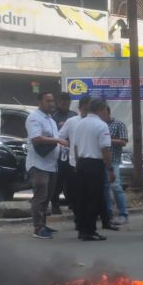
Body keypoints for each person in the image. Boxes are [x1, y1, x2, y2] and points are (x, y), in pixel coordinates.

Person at [70, 98, 114, 241]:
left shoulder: (80, 124)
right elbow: (105, 150)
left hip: (82, 163)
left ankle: (82, 229)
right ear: (101, 109)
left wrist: (77, 164)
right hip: (95, 165)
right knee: (93, 199)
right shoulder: (101, 125)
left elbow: (75, 147)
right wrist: (110, 169)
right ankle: (89, 230)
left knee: (82, 198)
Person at [26, 92, 67, 239]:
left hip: (52, 165)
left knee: (48, 197)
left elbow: (55, 138)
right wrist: (57, 140)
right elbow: (36, 139)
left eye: (52, 101)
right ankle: (38, 229)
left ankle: (43, 224)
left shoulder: (50, 118)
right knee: (40, 197)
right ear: (40, 102)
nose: (51, 104)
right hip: (39, 165)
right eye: (48, 101)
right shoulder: (34, 118)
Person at [57, 96, 90, 228]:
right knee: (76, 195)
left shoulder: (94, 122)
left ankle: (87, 220)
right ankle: (79, 219)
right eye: (87, 106)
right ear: (81, 107)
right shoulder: (71, 121)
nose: (89, 109)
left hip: (90, 163)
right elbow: (60, 137)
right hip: (74, 164)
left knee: (89, 194)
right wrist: (67, 147)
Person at [50, 93, 79, 215]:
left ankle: (72, 202)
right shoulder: (53, 116)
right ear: (58, 103)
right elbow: (50, 133)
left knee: (72, 180)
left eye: (68, 103)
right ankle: (55, 204)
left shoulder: (74, 115)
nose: (65, 106)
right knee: (58, 180)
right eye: (63, 104)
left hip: (72, 152)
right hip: (59, 153)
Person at [103, 106, 129, 226]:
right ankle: (109, 215)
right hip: (100, 161)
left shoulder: (119, 124)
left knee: (116, 187)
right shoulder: (99, 124)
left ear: (107, 112)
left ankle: (123, 214)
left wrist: (107, 139)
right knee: (105, 189)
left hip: (113, 160)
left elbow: (123, 141)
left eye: (102, 113)